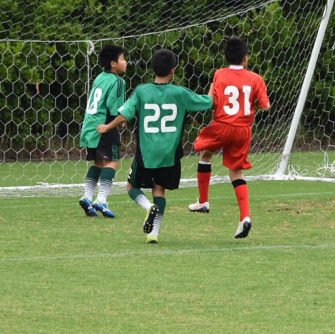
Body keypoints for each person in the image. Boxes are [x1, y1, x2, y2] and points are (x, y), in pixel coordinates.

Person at [98, 49, 213, 243]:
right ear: (173, 70)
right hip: (169, 154)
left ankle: (147, 206)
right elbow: (208, 102)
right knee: (159, 189)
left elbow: (124, 114)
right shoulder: (180, 93)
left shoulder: (141, 91)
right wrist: (214, 85)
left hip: (146, 153)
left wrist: (107, 127)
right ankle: (154, 233)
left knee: (131, 186)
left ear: (152, 69)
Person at [187, 38, 270, 239]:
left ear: (226, 57)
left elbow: (211, 100)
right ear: (245, 58)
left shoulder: (220, 74)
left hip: (222, 126)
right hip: (243, 130)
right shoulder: (256, 78)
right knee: (236, 172)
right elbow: (266, 106)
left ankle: (203, 202)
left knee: (205, 154)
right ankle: (245, 217)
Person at [78, 44, 128, 217]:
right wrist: (121, 121)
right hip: (104, 125)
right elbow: (114, 108)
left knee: (98, 163)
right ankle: (102, 199)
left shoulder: (100, 77)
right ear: (113, 64)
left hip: (90, 125)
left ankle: (87, 197)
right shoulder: (118, 81)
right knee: (112, 161)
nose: (126, 62)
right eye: (123, 59)